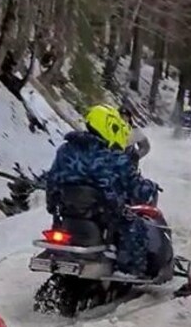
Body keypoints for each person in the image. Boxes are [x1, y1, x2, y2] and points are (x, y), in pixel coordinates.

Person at [45, 104, 158, 276]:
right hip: (104, 214)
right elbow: (138, 191)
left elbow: (52, 181)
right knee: (136, 227)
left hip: (69, 213)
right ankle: (129, 272)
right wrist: (150, 187)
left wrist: (52, 207)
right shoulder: (114, 158)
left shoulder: (65, 150)